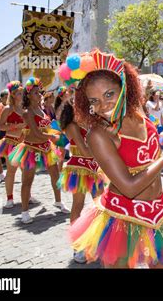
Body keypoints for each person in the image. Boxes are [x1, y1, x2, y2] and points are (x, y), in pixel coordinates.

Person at [70, 50, 163, 268]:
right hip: (121, 219)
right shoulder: (98, 134)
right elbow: (129, 188)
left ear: (124, 89)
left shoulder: (138, 113)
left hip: (159, 211)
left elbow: (150, 154)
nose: (103, 106)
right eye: (94, 100)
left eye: (109, 94)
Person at [8, 78, 70, 223]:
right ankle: (24, 211)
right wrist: (52, 136)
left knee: (55, 176)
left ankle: (58, 202)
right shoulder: (27, 113)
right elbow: (36, 133)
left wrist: (56, 134)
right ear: (28, 95)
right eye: (35, 93)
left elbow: (47, 128)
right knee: (28, 180)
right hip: (32, 149)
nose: (39, 95)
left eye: (39, 92)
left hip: (47, 148)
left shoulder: (41, 110)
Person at [57, 98, 106, 263]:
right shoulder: (72, 125)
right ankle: (77, 246)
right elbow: (85, 151)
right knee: (77, 206)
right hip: (79, 170)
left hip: (94, 168)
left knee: (101, 206)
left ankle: (97, 240)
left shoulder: (89, 123)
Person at [0, 81, 36, 209]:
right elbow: (0, 126)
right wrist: (16, 126)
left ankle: (27, 195)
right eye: (19, 93)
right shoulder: (8, 109)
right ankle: (9, 198)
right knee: (11, 172)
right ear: (13, 95)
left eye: (22, 92)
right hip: (11, 143)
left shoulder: (25, 109)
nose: (22, 95)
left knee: (26, 172)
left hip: (25, 143)